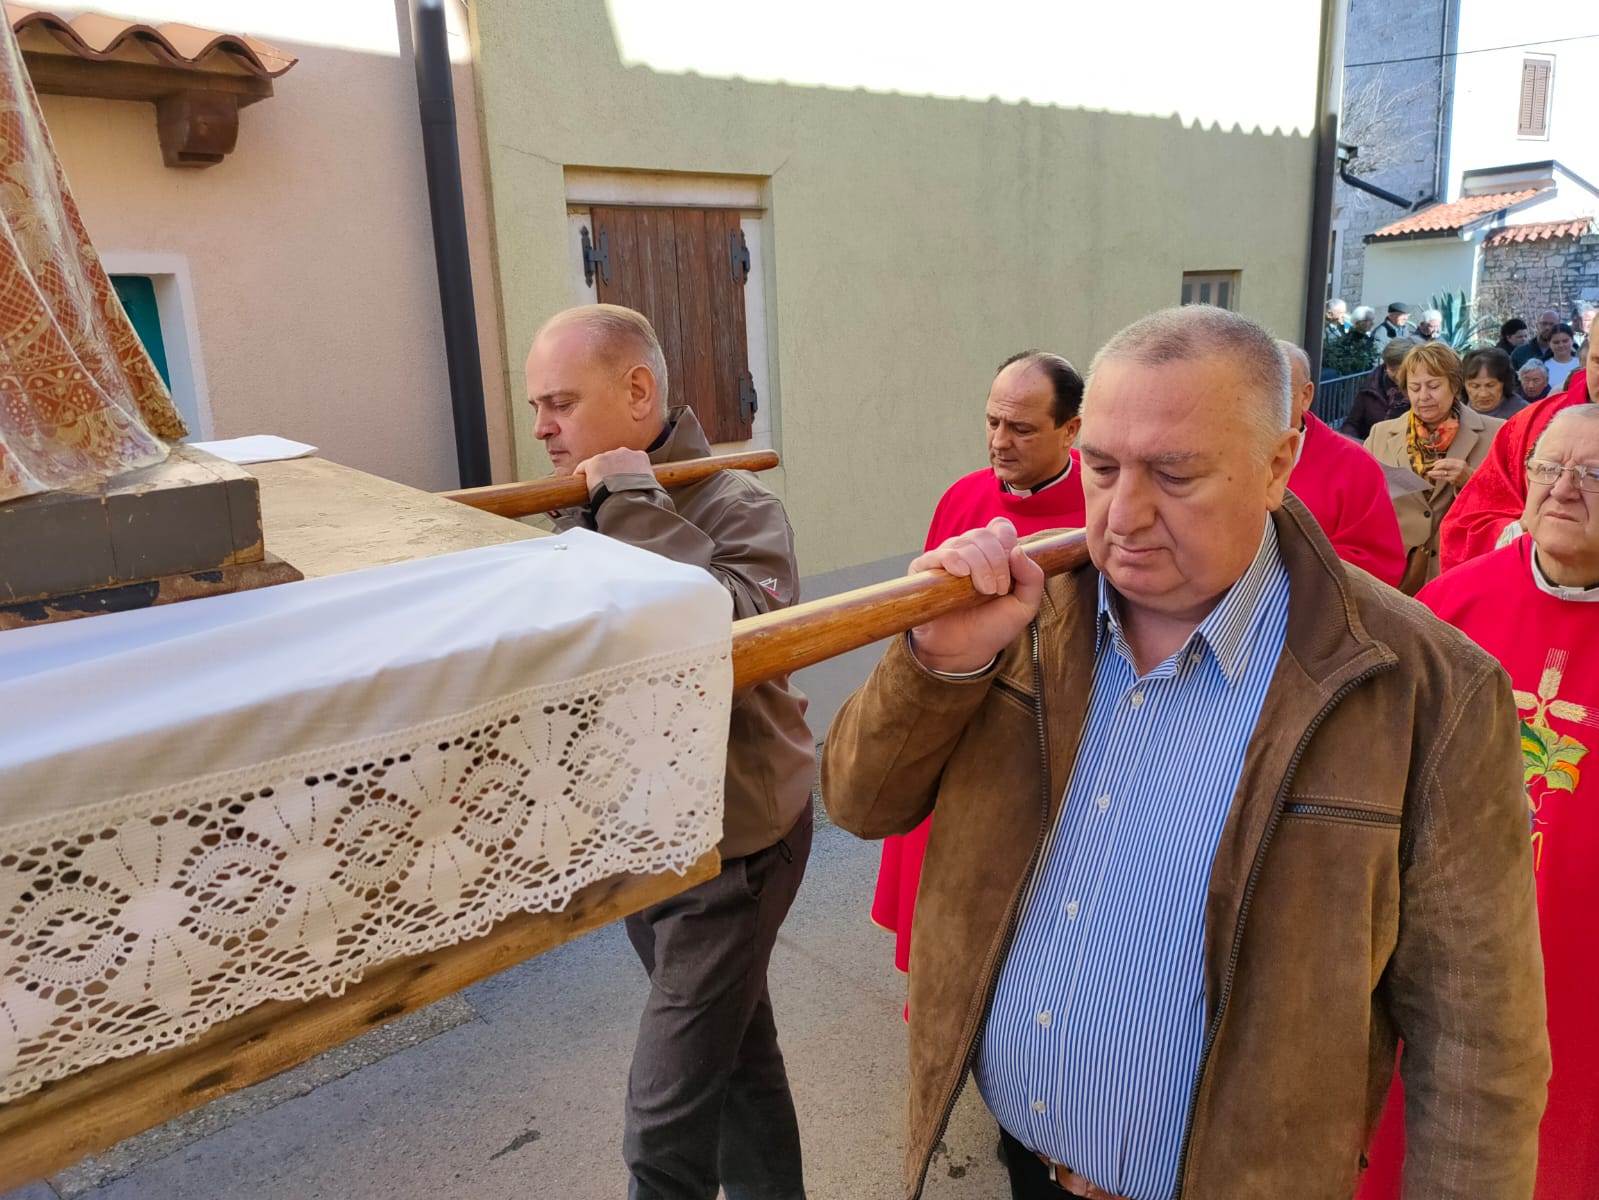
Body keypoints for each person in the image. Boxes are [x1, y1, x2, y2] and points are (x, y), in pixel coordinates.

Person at [822, 305, 1547, 1200]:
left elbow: (1477, 1048)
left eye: (1174, 474)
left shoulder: (1427, 687)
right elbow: (859, 802)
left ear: (1277, 465)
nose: (1123, 517)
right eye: (1100, 468)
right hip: (1023, 1160)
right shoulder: (1020, 617)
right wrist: (939, 663)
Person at [525, 303, 814, 1200]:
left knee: (664, 1126)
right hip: (644, 840)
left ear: (638, 391)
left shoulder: (737, 504)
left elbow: (729, 636)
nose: (541, 429)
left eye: (560, 403)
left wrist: (631, 502)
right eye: (536, 407)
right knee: (738, 1062)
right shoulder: (574, 511)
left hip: (735, 847)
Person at [1358, 405, 1599, 1200]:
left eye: (1592, 474)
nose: (1561, 489)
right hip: (1451, 944)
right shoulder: (1447, 610)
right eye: (1546, 468)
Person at [872, 350, 1086, 981]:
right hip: (956, 716)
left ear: (1071, 429)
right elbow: (924, 619)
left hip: (1046, 734)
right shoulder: (962, 496)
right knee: (938, 906)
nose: (999, 441)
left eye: (1022, 428)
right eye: (992, 422)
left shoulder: (1101, 509)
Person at [1365, 341, 1504, 593]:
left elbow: (1510, 504)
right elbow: (1360, 501)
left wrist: (1470, 480)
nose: (1423, 396)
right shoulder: (1381, 434)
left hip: (1460, 571)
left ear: (1454, 385)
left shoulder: (1496, 433)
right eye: (1414, 387)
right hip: (1395, 571)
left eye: (1433, 386)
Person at [1439, 362, 1593, 570]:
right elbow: (1467, 525)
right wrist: (1520, 528)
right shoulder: (1528, 424)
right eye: (1549, 469)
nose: (1562, 491)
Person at [1280, 341, 1405, 586]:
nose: (1260, 405)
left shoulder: (1355, 465)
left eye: (1277, 393)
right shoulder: (1219, 450)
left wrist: (1280, 564)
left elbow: (1376, 561)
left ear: (1306, 396)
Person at [1342, 335, 1417, 441]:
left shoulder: (1420, 389)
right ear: (1386, 366)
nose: (1397, 375)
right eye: (1392, 369)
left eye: (1402, 369)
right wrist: (1357, 444)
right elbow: (1352, 423)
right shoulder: (1371, 387)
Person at [1463, 346, 1530, 421]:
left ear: (1504, 383)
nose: (1483, 394)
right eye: (1475, 386)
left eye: (1490, 385)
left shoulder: (1526, 414)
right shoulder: (1456, 414)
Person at [1323, 305, 1381, 376]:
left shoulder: (1368, 337)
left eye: (1372, 320)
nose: (1372, 323)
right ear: (1358, 322)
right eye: (1368, 321)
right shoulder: (1351, 339)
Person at [1545, 324, 1580, 393]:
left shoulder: (1582, 364)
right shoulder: (1543, 366)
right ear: (1549, 344)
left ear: (1572, 340)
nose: (1561, 345)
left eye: (1565, 341)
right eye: (1556, 342)